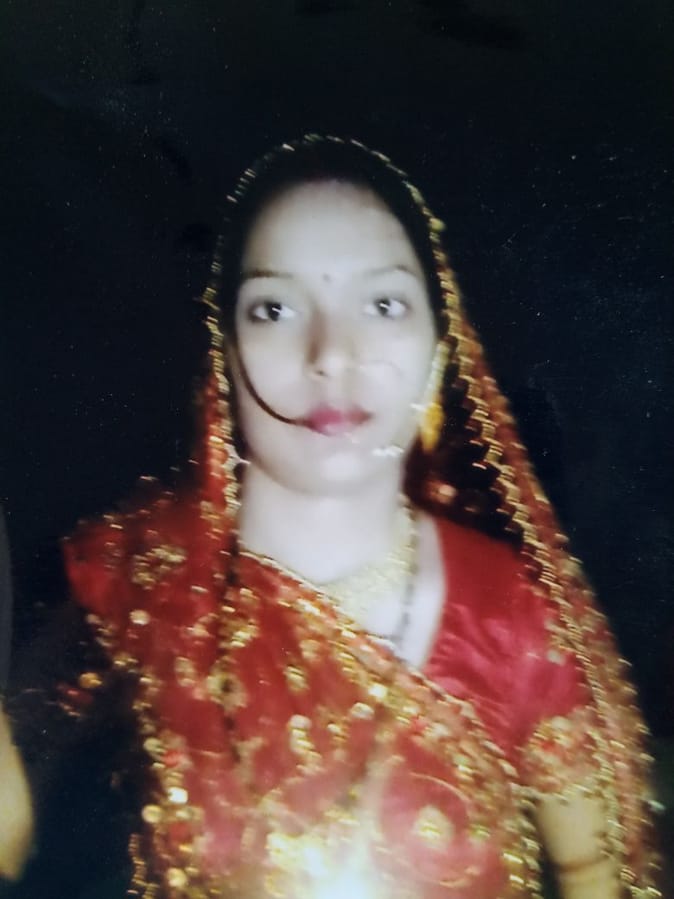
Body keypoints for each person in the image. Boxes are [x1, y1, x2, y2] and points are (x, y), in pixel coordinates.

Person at [0, 135, 663, 898]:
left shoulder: (511, 617)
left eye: (382, 304)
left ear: (439, 350)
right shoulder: (130, 581)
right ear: (224, 350)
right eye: (275, 308)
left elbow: (595, 870)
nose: (331, 354)